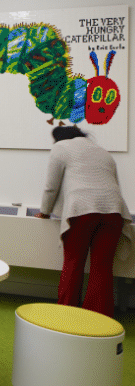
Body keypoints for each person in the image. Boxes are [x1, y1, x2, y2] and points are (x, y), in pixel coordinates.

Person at [35, 125, 132, 317]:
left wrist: (45, 212)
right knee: (102, 267)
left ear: (59, 138)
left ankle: (67, 316)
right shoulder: (103, 152)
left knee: (73, 263)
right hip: (113, 210)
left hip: (81, 209)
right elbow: (115, 186)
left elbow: (50, 186)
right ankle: (98, 320)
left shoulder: (61, 147)